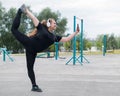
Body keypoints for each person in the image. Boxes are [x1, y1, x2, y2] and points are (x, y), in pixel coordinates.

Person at [11, 4, 80, 92]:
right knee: (13, 30)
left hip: (32, 52)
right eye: (54, 23)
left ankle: (34, 86)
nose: (56, 25)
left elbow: (66, 39)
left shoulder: (55, 37)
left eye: (56, 24)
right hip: (28, 42)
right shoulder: (41, 28)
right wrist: (26, 10)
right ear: (49, 24)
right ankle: (19, 11)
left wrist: (76, 32)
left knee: (30, 68)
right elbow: (33, 18)